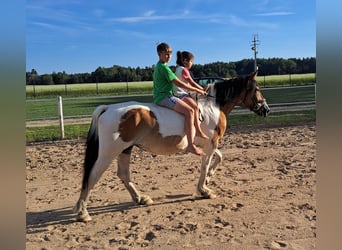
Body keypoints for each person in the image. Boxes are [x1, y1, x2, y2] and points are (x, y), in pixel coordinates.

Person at [152, 42, 207, 156]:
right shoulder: (164, 68)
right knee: (190, 111)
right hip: (165, 97)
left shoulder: (159, 66)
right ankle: (191, 146)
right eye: (165, 54)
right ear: (159, 54)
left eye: (169, 54)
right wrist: (198, 90)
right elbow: (180, 84)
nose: (168, 56)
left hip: (162, 96)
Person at [173, 50, 209, 140]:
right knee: (195, 107)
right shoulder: (184, 70)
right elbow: (192, 83)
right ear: (185, 61)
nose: (192, 64)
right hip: (181, 95)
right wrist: (202, 89)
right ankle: (198, 131)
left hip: (177, 94)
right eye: (191, 61)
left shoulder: (177, 69)